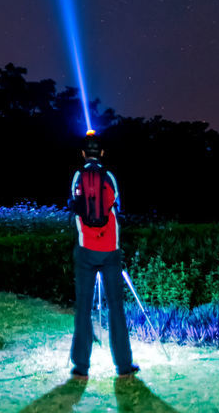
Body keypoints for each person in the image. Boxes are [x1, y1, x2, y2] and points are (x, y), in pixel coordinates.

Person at [68, 131, 139, 380]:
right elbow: (117, 208)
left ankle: (81, 366)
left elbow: (73, 208)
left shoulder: (78, 176)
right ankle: (123, 365)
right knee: (116, 308)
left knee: (83, 308)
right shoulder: (109, 177)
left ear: (83, 153)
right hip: (110, 250)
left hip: (85, 250)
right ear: (103, 153)